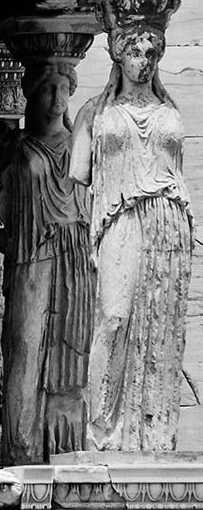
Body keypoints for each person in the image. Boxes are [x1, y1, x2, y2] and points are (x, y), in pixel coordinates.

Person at [69, 24, 192, 451]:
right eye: (136, 52)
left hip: (168, 220)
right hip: (118, 218)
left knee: (160, 323)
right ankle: (102, 432)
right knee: (114, 317)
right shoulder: (94, 113)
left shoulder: (170, 112)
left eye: (152, 54)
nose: (144, 61)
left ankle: (153, 435)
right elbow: (79, 174)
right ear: (118, 55)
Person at [0, 61, 93, 463]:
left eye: (63, 89)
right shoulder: (18, 148)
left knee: (70, 349)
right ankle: (22, 451)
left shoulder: (81, 145)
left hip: (75, 256)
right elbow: (4, 207)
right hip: (31, 257)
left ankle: (64, 448)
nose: (57, 99)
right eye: (48, 89)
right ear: (32, 94)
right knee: (25, 345)